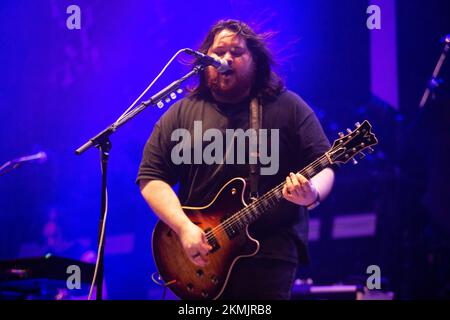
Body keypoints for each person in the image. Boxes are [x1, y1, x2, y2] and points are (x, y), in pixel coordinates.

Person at [137, 19, 335, 300]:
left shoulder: (288, 107)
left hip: (268, 255)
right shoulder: (180, 114)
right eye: (219, 52)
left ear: (255, 61)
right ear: (204, 60)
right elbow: (151, 178)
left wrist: (311, 193)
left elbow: (324, 164)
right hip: (198, 258)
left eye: (237, 52)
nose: (226, 58)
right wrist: (183, 228)